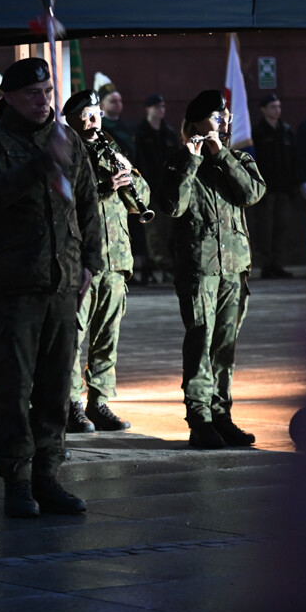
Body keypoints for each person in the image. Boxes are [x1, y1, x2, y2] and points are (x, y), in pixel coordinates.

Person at [0, 57, 103, 518]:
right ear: (8, 97)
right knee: (13, 389)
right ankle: (17, 480)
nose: (43, 100)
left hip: (62, 284)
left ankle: (48, 475)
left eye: (47, 91)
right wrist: (40, 166)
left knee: (55, 389)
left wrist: (90, 263)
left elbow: (88, 206)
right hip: (16, 286)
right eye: (32, 94)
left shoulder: (65, 138)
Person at [159, 90, 266, 449]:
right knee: (200, 341)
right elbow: (173, 206)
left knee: (225, 346)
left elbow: (252, 194)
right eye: (216, 116)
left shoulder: (236, 160)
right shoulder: (179, 163)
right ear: (197, 123)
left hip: (234, 268)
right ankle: (200, 419)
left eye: (225, 116)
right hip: (199, 270)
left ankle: (223, 417)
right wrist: (191, 160)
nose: (224, 120)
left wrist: (221, 154)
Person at [61, 89, 146, 434]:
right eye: (87, 113)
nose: (95, 118)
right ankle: (70, 404)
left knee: (107, 335)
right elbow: (63, 200)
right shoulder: (65, 152)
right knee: (72, 335)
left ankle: (99, 400)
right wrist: (102, 186)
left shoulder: (110, 149)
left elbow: (143, 201)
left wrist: (131, 175)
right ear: (72, 120)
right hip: (82, 259)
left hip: (116, 260)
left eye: (97, 111)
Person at [249, 94, 297, 279]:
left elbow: (293, 159)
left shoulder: (286, 130)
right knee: (265, 229)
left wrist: (293, 183)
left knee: (281, 227)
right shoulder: (258, 132)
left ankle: (278, 263)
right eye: (272, 107)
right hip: (266, 189)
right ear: (263, 109)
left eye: (278, 106)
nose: (277, 110)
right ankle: (266, 264)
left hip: (283, 187)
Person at [133, 93, 178, 284]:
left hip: (166, 188)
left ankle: (167, 267)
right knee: (151, 232)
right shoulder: (141, 133)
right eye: (157, 107)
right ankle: (152, 266)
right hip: (149, 188)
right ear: (148, 108)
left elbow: (175, 159)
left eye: (163, 106)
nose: (161, 110)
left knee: (167, 230)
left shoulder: (168, 132)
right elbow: (139, 161)